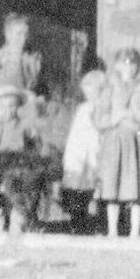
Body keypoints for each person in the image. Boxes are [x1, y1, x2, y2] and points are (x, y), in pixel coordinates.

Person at [93, 48, 140, 238]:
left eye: (133, 63)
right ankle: (112, 230)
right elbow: (99, 117)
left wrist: (134, 114)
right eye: (125, 63)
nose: (129, 67)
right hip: (114, 140)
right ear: (117, 65)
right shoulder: (110, 87)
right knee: (112, 184)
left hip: (135, 140)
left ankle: (135, 230)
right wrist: (114, 117)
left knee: (135, 186)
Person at [0, 12, 43, 129]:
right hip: (0, 112)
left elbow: (37, 90)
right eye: (18, 34)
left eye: (26, 34)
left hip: (23, 113)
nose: (23, 39)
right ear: (8, 35)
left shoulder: (31, 60)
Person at [61, 69, 107, 217]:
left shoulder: (103, 108)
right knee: (78, 187)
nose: (90, 97)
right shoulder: (83, 109)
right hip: (80, 153)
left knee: (96, 187)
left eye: (93, 93)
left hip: (96, 151)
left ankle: (98, 218)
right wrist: (72, 155)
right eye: (87, 93)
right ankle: (78, 218)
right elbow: (75, 136)